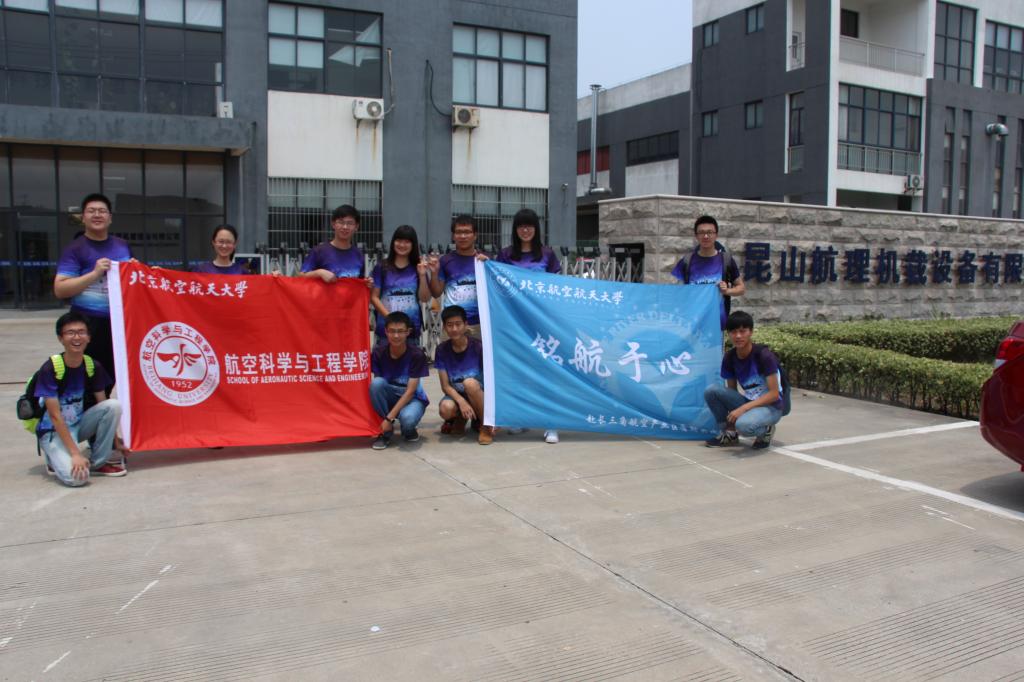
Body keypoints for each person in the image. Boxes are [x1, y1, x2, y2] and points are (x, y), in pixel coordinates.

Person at [35, 311, 127, 486]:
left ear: (89, 337)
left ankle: (98, 462)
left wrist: (116, 443)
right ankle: (54, 456)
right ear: (61, 338)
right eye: (70, 333)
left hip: (78, 425)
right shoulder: (50, 368)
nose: (77, 337)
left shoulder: (92, 365)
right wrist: (76, 453)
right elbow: (55, 416)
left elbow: (103, 405)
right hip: (53, 431)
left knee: (113, 405)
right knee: (77, 479)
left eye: (81, 332)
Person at [496, 208, 561, 444]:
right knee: (519, 371)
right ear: (515, 229)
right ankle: (521, 417)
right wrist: (484, 263)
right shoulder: (505, 255)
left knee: (546, 372)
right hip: (514, 323)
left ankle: (551, 423)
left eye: (530, 225)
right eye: (521, 226)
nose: (525, 230)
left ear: (536, 228)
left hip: (541, 323)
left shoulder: (547, 254)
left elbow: (556, 286)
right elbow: (496, 282)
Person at [53, 193, 134, 383]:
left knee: (114, 375)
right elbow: (60, 289)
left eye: (102, 211)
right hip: (87, 323)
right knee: (87, 377)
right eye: (91, 211)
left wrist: (142, 271)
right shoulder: (75, 249)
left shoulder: (122, 246)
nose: (97, 215)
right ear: (83, 217)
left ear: (110, 217)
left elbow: (131, 278)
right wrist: (95, 274)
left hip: (119, 323)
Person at [704, 310, 784, 450]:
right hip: (750, 402)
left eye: (743, 331)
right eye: (733, 332)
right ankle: (729, 434)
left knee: (743, 426)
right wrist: (732, 422)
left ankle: (766, 431)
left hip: (771, 406)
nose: (738, 336)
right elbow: (732, 391)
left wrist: (743, 409)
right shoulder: (730, 357)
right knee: (711, 391)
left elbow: (774, 394)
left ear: (751, 332)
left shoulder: (764, 356)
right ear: (728, 334)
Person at [671, 215, 745, 330]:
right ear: (696, 236)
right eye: (701, 232)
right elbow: (675, 291)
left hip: (717, 325)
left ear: (716, 235)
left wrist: (727, 291)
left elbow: (741, 288)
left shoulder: (726, 260)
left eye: (710, 232)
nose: (706, 236)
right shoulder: (687, 260)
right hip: (692, 325)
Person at [434, 305, 494, 445]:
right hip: (458, 394)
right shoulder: (441, 350)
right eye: (450, 325)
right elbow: (445, 386)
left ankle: (485, 426)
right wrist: (461, 402)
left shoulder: (479, 346)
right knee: (446, 409)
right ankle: (460, 417)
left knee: (470, 383)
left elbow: (491, 379)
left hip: (479, 394)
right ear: (444, 327)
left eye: (458, 324)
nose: (454, 329)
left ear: (465, 324)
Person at [370, 312, 430, 450]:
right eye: (392, 331)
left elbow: (410, 391)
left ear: (408, 332)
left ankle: (408, 429)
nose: (396, 336)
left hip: (412, 399)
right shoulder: (378, 353)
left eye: (400, 331)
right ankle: (385, 433)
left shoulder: (417, 354)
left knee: (408, 419)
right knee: (376, 384)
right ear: (386, 331)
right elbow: (379, 387)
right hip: (391, 396)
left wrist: (389, 418)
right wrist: (387, 418)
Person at [370, 225, 431, 347]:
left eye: (407, 241)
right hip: (386, 331)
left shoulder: (418, 268)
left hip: (411, 330)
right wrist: (391, 319)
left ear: (413, 245)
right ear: (393, 242)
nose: (402, 245)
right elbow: (374, 297)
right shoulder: (381, 267)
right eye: (399, 240)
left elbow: (425, 298)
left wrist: (422, 275)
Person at [428, 215, 485, 338]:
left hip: (479, 324)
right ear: (453, 236)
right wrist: (434, 273)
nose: (463, 236)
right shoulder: (445, 261)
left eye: (467, 232)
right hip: (452, 325)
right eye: (458, 232)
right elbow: (436, 293)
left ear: (475, 235)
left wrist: (488, 265)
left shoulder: (483, 261)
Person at [300, 204, 366, 281]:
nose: (345, 227)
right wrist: (319, 273)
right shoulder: (319, 251)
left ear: (356, 227)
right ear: (333, 224)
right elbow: (301, 276)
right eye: (341, 222)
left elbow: (360, 282)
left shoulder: (358, 255)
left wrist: (368, 283)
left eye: (350, 223)